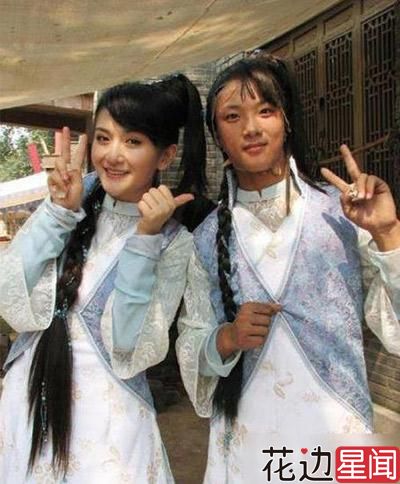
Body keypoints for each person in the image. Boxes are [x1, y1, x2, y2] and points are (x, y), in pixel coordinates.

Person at [176, 54, 400, 483]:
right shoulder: (205, 239)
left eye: (266, 110)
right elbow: (191, 345)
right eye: (233, 116)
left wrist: (389, 233)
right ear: (217, 134)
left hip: (338, 440)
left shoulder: (341, 215)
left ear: (287, 119)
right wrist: (227, 337)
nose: (252, 128)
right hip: (248, 445)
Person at [0, 74, 207, 483]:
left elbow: (126, 342)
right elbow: (10, 291)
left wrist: (144, 241)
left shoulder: (173, 243)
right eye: (104, 138)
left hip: (108, 422)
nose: (113, 155)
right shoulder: (72, 199)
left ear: (164, 156)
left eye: (133, 141)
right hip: (29, 401)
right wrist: (58, 213)